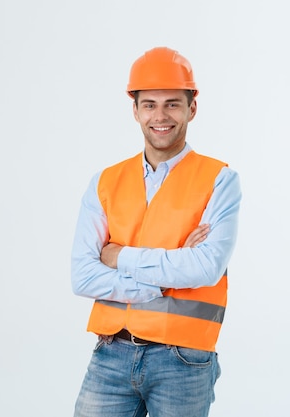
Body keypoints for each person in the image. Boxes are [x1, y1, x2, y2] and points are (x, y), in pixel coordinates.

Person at [70, 46, 242, 417]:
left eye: (172, 104)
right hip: (110, 354)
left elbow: (206, 268)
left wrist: (118, 256)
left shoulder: (219, 180)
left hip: (183, 360)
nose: (160, 116)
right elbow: (82, 276)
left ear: (192, 108)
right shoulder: (105, 182)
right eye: (149, 104)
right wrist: (165, 279)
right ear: (135, 110)